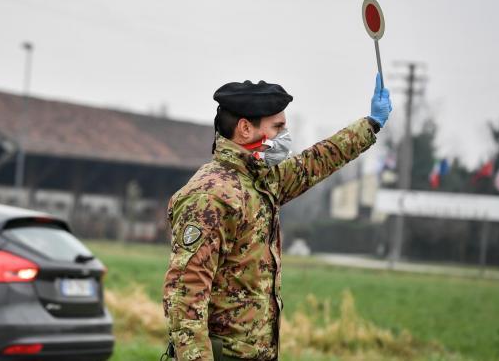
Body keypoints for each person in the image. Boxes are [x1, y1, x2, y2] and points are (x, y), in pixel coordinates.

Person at [162, 75, 392, 361]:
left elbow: (316, 161)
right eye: (278, 127)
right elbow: (185, 294)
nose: (286, 136)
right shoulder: (210, 196)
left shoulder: (260, 182)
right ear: (245, 128)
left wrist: (371, 124)